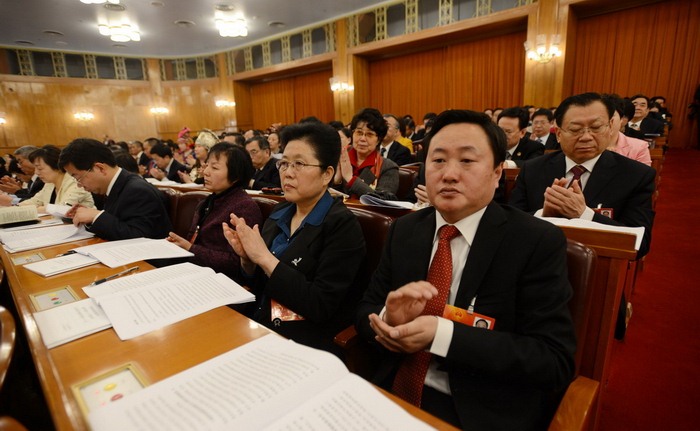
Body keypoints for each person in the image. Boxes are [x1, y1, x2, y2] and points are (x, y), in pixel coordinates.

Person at [356, 109, 575, 430]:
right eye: (438, 160)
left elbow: (552, 360)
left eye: (467, 161)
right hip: (392, 390)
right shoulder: (405, 229)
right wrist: (389, 321)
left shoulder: (535, 241)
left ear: (497, 172)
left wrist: (443, 335)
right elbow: (366, 309)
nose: (449, 174)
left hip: (478, 407)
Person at [223, 121, 366, 356]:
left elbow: (320, 305)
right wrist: (248, 260)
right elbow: (259, 284)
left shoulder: (342, 226)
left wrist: (264, 258)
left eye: (299, 164)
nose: (287, 173)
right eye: (284, 163)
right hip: (259, 323)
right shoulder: (280, 213)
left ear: (327, 174)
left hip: (302, 340)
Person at [509, 92, 655, 258]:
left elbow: (640, 244)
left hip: (601, 266)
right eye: (575, 129)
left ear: (609, 127)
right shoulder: (533, 169)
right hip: (537, 261)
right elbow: (510, 224)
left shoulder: (636, 175)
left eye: (596, 127)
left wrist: (585, 215)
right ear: (558, 134)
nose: (586, 137)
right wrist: (543, 215)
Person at [167, 143, 262, 281]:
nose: (206, 172)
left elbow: (237, 263)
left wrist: (190, 248)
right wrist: (180, 245)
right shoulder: (207, 201)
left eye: (215, 167)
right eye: (207, 165)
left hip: (222, 280)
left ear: (235, 176)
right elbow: (194, 240)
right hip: (195, 272)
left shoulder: (244, 207)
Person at [59, 138, 172, 241]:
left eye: (78, 178)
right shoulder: (117, 185)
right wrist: (89, 217)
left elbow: (141, 237)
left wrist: (96, 216)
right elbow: (119, 224)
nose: (79, 185)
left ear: (100, 168)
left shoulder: (137, 190)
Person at [336, 108, 399, 199]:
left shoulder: (388, 167)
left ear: (378, 140)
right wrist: (336, 182)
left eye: (369, 134)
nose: (362, 139)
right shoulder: (341, 158)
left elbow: (383, 201)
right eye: (359, 132)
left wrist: (351, 180)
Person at [15, 145, 94, 211]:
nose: (36, 172)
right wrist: (16, 207)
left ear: (57, 166)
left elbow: (63, 209)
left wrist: (35, 208)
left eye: (39, 168)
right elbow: (34, 201)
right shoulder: (49, 184)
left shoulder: (76, 182)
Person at [603, 94, 652, 166]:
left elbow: (642, 172)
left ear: (621, 119)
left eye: (611, 115)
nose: (606, 120)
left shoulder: (639, 147)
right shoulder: (586, 145)